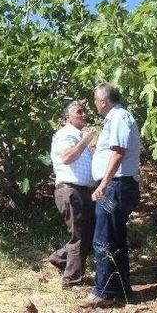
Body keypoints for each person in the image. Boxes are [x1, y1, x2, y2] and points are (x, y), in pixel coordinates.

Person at [79, 83, 141, 308]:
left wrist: (104, 183)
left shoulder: (118, 118)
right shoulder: (116, 118)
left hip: (115, 186)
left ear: (103, 102)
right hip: (116, 185)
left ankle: (103, 292)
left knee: (103, 239)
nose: (94, 104)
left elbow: (118, 152)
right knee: (115, 239)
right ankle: (121, 291)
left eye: (95, 100)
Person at [48, 100, 96, 287]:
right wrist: (86, 140)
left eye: (84, 112)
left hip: (83, 191)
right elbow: (67, 157)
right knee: (80, 236)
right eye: (79, 112)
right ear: (67, 117)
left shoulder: (78, 136)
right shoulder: (66, 134)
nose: (84, 115)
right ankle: (71, 280)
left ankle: (58, 259)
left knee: (87, 236)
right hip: (70, 190)